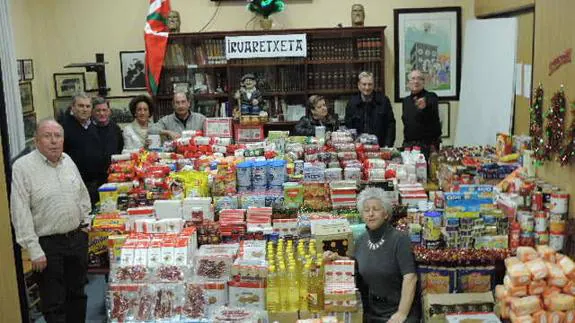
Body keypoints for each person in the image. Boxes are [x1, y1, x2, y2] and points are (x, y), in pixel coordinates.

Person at [11, 119, 92, 323]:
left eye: (58, 136)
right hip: (47, 245)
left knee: (78, 295)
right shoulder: (23, 167)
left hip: (76, 239)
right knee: (54, 302)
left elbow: (82, 194)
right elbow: (20, 212)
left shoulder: (68, 160)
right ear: (37, 140)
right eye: (47, 136)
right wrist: (33, 249)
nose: (54, 141)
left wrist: (85, 223)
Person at [325, 187, 420, 323]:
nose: (371, 214)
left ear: (386, 214)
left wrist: (401, 313)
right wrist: (337, 258)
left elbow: (410, 278)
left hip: (397, 313)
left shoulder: (400, 239)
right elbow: (357, 264)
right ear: (362, 215)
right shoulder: (361, 240)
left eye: (376, 209)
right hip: (372, 313)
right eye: (366, 210)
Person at [60, 92, 106, 207]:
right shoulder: (63, 128)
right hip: (76, 186)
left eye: (88, 106)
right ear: (73, 107)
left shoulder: (92, 126)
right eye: (81, 106)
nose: (84, 109)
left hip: (95, 185)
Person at [345, 71, 396, 147]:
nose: (367, 87)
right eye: (364, 84)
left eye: (370, 84)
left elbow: (390, 125)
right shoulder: (352, 103)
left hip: (380, 146)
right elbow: (348, 127)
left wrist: (388, 145)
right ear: (359, 85)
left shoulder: (384, 101)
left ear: (373, 85)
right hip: (358, 146)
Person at [402, 69, 442, 160]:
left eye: (419, 79)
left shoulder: (431, 97)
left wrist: (425, 105)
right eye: (413, 78)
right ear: (408, 83)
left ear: (423, 82)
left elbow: (431, 105)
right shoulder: (406, 101)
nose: (416, 81)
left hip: (428, 146)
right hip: (409, 146)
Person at [92, 96, 124, 169]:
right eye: (98, 110)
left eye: (104, 110)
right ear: (92, 112)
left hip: (114, 172)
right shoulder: (89, 129)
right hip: (94, 175)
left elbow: (120, 148)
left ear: (109, 111)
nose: (102, 113)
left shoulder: (116, 128)